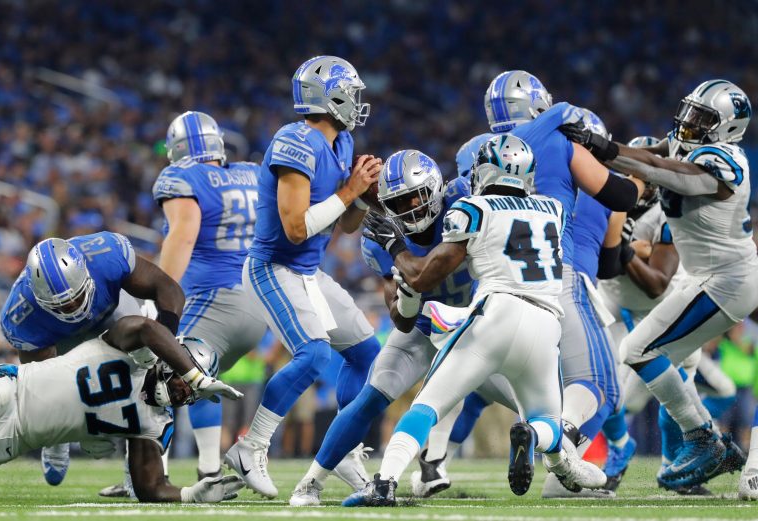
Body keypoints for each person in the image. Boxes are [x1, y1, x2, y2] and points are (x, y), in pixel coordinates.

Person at [343, 135, 606, 507]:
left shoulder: (472, 208)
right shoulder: (553, 208)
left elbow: (421, 278)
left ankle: (384, 482)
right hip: (547, 325)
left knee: (427, 405)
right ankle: (537, 440)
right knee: (548, 419)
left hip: (495, 314)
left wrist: (395, 247)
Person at [560, 79, 755, 490]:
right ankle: (704, 442)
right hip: (706, 277)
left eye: (702, 118)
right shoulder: (689, 146)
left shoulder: (725, 165)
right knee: (652, 359)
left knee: (638, 349)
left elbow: (666, 171)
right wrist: (598, 146)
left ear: (727, 128)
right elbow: (652, 154)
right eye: (690, 111)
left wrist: (606, 149)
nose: (688, 122)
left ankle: (702, 439)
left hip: (728, 279)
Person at [224, 56, 382, 498]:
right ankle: (250, 446)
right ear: (329, 97)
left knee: (368, 354)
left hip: (308, 271)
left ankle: (346, 448)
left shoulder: (343, 142)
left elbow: (345, 225)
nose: (357, 101)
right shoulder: (293, 141)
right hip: (273, 267)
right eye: (350, 92)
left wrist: (363, 197)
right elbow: (295, 227)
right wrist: (349, 190)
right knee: (312, 355)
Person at [289, 149, 478, 506]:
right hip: (424, 329)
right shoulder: (377, 238)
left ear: (435, 187)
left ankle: (562, 460)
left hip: (477, 325)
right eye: (398, 202)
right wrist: (405, 302)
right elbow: (401, 319)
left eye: (415, 196)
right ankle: (310, 482)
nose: (409, 209)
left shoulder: (463, 201)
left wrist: (397, 251)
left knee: (525, 390)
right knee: (371, 397)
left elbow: (423, 271)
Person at [0, 315, 244, 503]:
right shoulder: (134, 351)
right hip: (11, 390)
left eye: (195, 393)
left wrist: (191, 494)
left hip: (14, 441)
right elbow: (146, 327)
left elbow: (150, 487)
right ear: (174, 359)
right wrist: (196, 377)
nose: (186, 392)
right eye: (187, 381)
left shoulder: (156, 422)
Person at [0, 234, 184, 486]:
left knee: (146, 377)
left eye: (76, 296)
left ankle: (139, 468)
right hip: (61, 341)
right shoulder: (22, 315)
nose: (75, 307)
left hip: (112, 316)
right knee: (48, 396)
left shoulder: (106, 255)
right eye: (63, 305)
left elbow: (168, 288)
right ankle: (56, 442)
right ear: (40, 299)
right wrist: (73, 423)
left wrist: (165, 341)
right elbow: (43, 388)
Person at [153, 111, 267, 481]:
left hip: (215, 297)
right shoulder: (252, 172)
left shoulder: (182, 177)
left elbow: (183, 235)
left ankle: (151, 472)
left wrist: (159, 295)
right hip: (259, 302)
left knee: (160, 372)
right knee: (202, 372)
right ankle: (208, 467)